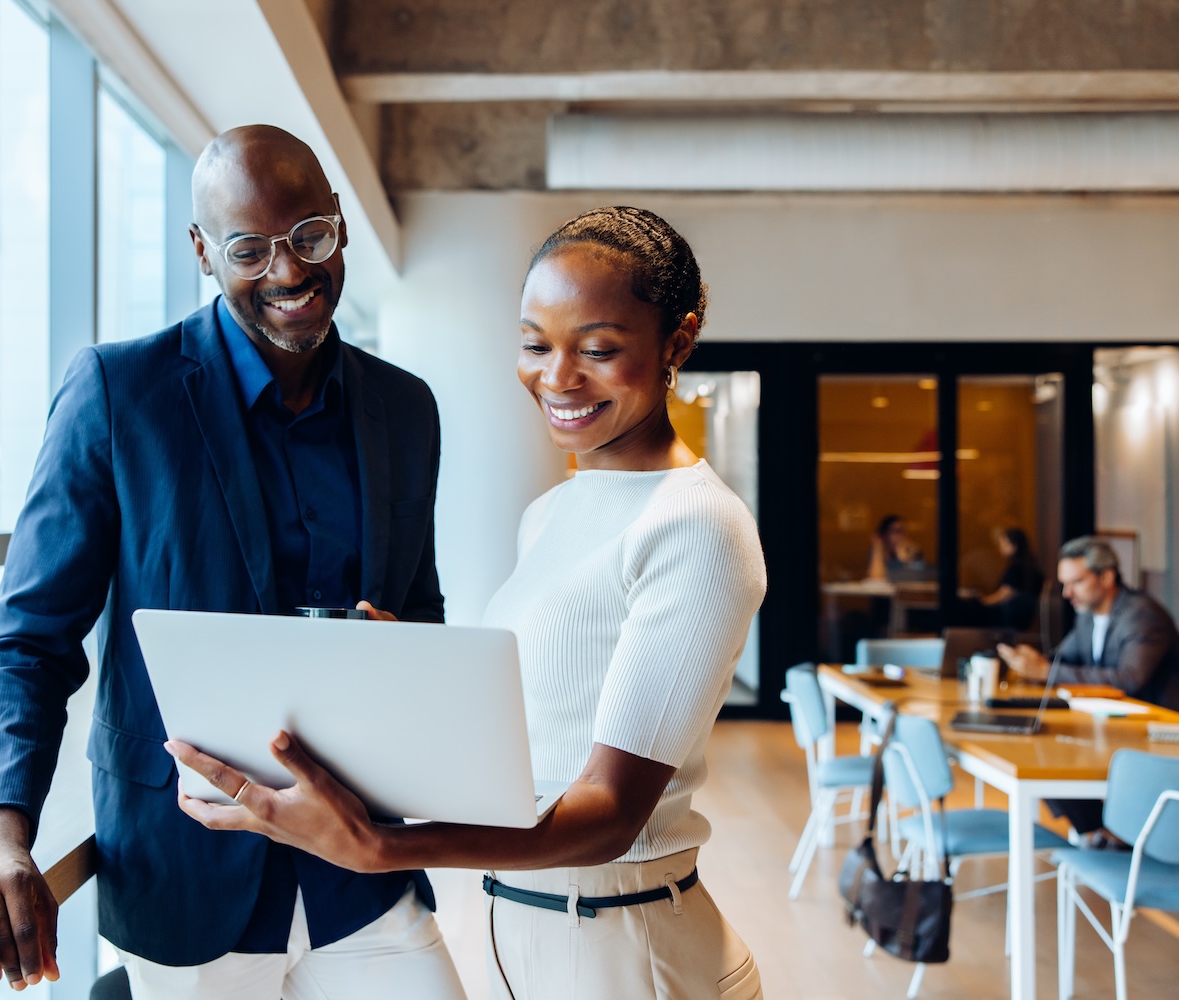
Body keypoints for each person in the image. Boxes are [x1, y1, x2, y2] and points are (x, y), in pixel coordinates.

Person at [169, 206, 768, 998]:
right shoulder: (553, 511)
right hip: (524, 933)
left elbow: (612, 812)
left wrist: (380, 847)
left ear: (678, 342)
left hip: (631, 949)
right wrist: (405, 668)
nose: (557, 378)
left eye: (597, 350)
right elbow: (534, 738)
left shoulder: (698, 524)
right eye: (534, 344)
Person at [0, 125, 466, 1000]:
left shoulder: (407, 410)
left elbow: (424, 613)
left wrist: (404, 656)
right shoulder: (117, 394)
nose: (289, 273)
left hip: (361, 873)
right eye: (249, 250)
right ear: (203, 253)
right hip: (188, 878)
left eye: (309, 238)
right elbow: (28, 641)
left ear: (339, 223)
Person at [999, 535, 1179, 838]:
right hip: (1121, 729)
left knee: (1056, 763)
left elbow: (1130, 678)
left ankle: (1111, 837)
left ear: (1106, 577)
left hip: (1166, 735)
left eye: (1076, 582)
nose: (1067, 593)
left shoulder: (1141, 615)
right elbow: (1064, 660)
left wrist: (1047, 670)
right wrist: (1036, 662)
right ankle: (1101, 835)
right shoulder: (1089, 616)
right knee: (1048, 759)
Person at [963, 527, 1044, 630]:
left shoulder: (1016, 568)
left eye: (1004, 543)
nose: (1001, 547)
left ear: (1014, 546)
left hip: (1009, 618)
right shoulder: (1029, 568)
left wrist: (983, 601)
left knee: (968, 608)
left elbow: (1005, 593)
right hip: (1019, 618)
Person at [865, 514, 928, 583]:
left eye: (903, 531)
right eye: (896, 531)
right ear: (884, 534)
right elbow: (875, 579)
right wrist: (877, 548)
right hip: (883, 592)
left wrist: (904, 559)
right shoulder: (878, 550)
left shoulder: (913, 550)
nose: (901, 536)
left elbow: (916, 578)